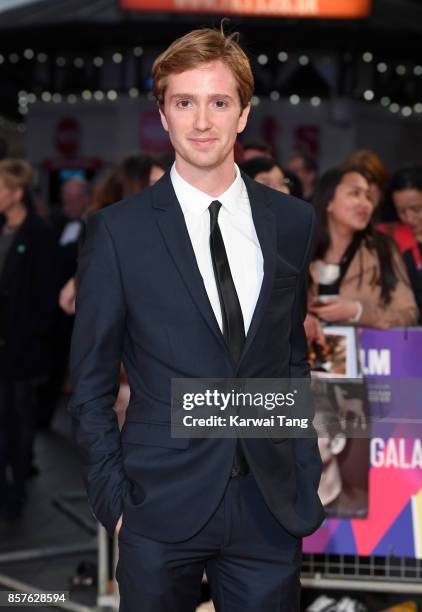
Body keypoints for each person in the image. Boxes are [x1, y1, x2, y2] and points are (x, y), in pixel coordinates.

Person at [69, 25, 323, 612]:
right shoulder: (118, 233)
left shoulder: (291, 221)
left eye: (218, 102)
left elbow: (290, 358)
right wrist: (116, 503)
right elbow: (90, 384)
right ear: (163, 114)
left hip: (268, 505)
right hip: (156, 504)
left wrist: (301, 468)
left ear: (243, 114)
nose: (202, 121)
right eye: (185, 102)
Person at [0, 159, 57, 519]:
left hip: (20, 349)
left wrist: (29, 339)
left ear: (16, 193)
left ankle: (17, 491)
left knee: (19, 420)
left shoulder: (38, 234)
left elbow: (44, 296)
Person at [306, 167, 418, 335]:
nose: (365, 204)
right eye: (354, 193)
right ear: (328, 201)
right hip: (311, 357)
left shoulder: (382, 248)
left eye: (368, 196)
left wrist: (357, 311)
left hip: (368, 357)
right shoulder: (302, 249)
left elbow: (408, 314)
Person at [378, 164, 422, 324]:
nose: (409, 218)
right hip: (402, 332)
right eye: (401, 211)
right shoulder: (386, 236)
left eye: (416, 209)